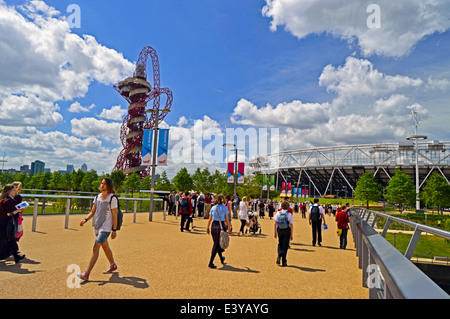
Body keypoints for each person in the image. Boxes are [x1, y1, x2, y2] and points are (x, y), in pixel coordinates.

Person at [78, 178, 118, 281]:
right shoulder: (97, 197)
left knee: (96, 247)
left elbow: (114, 215)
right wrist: (85, 220)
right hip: (97, 227)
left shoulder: (112, 198)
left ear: (108, 185)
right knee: (105, 246)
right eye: (101, 183)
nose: (102, 185)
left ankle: (87, 273)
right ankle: (113, 264)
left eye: (104, 184)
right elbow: (93, 211)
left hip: (106, 227)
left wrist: (114, 229)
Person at [0, 184, 26, 263]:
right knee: (10, 238)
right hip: (6, 223)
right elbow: (9, 213)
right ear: (9, 191)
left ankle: (16, 256)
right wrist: (19, 210)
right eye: (14, 190)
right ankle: (15, 255)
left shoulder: (4, 199)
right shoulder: (9, 200)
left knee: (9, 239)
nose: (15, 192)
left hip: (3, 222)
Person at [206, 194, 231, 268]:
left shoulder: (213, 207)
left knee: (217, 243)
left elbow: (210, 219)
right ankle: (210, 262)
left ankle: (221, 259)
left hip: (214, 226)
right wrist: (229, 227)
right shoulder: (225, 208)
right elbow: (227, 219)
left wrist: (207, 228)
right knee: (216, 244)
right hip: (221, 226)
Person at [274, 201, 294, 267]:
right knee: (285, 245)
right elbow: (291, 225)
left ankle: (279, 255)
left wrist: (275, 232)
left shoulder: (278, 213)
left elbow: (275, 223)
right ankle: (284, 261)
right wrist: (291, 235)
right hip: (286, 230)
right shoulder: (289, 214)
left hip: (280, 229)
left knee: (280, 243)